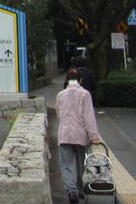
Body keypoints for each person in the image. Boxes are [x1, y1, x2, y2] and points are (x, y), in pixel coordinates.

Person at [56, 67, 103, 203]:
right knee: (80, 162)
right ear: (81, 80)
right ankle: (79, 188)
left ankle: (71, 191)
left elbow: (59, 114)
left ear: (67, 79)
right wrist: (94, 136)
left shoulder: (60, 95)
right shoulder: (85, 94)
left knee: (66, 163)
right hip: (80, 135)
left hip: (65, 134)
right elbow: (89, 116)